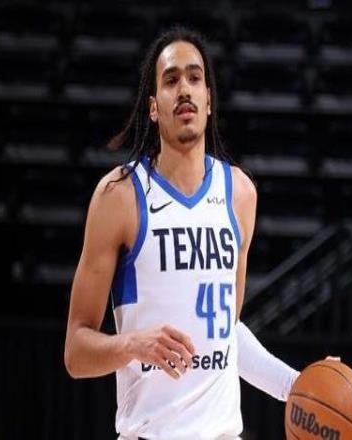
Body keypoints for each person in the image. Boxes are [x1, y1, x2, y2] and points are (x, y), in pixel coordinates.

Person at [64, 27, 300, 440]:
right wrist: (132, 344)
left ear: (209, 99)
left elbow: (225, 334)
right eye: (171, 80)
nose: (184, 89)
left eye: (194, 77)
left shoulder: (240, 194)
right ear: (154, 107)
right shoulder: (120, 195)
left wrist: (297, 386)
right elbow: (76, 352)